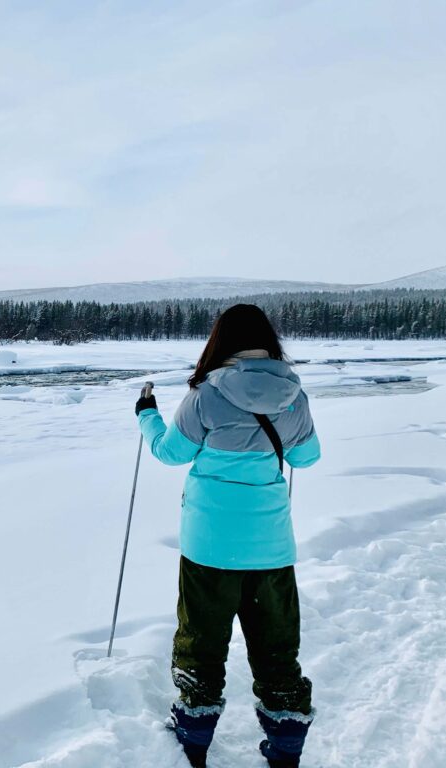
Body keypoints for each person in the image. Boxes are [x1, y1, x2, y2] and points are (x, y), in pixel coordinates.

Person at [133, 304, 321, 768]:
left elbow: (169, 453)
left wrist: (146, 415)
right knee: (277, 649)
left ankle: (192, 741)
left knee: (201, 641)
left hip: (209, 547)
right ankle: (286, 747)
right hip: (271, 548)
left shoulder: (206, 395)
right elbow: (306, 459)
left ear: (220, 341)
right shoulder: (294, 397)